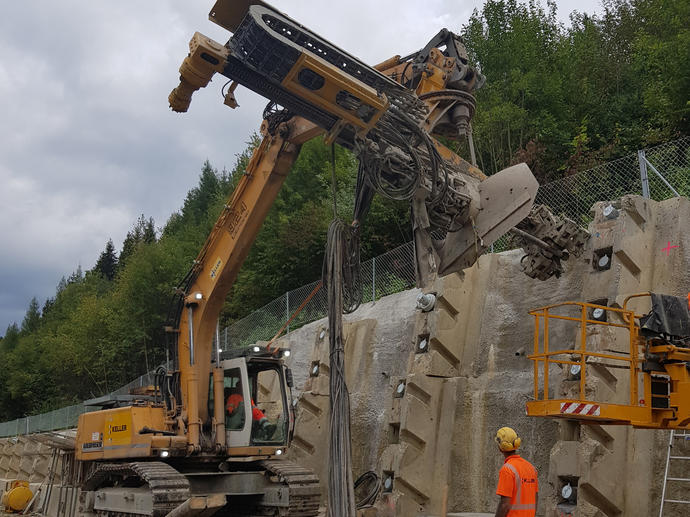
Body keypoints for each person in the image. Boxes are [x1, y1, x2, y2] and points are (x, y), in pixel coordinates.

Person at [494, 426, 538, 517]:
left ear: (500, 448)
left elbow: (504, 504)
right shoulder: (531, 468)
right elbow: (536, 497)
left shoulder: (507, 469)